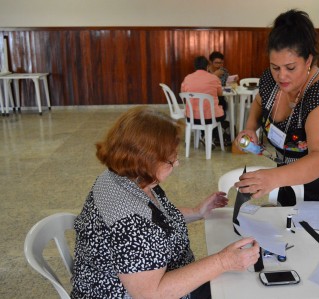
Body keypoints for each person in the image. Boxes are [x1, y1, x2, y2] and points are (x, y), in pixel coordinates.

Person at [71, 107, 260, 299]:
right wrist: (222, 262)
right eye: (171, 160)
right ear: (146, 160)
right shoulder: (130, 222)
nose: (176, 164)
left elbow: (156, 217)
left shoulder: (123, 176)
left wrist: (197, 211)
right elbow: (152, 294)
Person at [234, 9, 319, 205]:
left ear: (309, 60)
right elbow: (259, 102)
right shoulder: (271, 80)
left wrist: (272, 178)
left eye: (290, 68)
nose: (281, 76)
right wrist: (250, 127)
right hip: (289, 166)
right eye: (275, 67)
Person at [181, 55, 231, 146]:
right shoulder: (214, 78)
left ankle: (205, 136)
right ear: (207, 66)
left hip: (192, 117)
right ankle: (211, 137)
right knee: (219, 112)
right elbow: (220, 94)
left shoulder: (187, 78)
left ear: (194, 66)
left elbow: (183, 93)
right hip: (210, 117)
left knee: (205, 112)